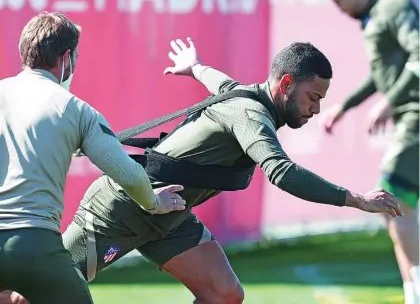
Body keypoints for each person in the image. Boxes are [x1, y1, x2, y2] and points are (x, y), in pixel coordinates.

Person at [2, 37, 402, 304]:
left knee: (226, 295)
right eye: (313, 97)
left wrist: (195, 67)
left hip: (171, 216)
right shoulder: (251, 115)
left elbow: (222, 83)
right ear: (284, 84)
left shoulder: (243, 97)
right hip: (122, 209)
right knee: (29, 295)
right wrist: (356, 199)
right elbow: (281, 172)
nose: (315, 109)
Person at [0, 12, 185, 304]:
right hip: (35, 244)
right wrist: (154, 203)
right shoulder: (75, 109)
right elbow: (128, 174)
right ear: (66, 58)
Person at [322, 0, 419, 304]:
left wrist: (389, 103)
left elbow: (419, 54)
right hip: (409, 118)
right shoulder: (372, 17)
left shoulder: (394, 6)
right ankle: (413, 291)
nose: (340, 10)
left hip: (416, 118)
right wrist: (344, 106)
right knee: (397, 208)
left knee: (392, 199)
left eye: (337, 2)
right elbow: (381, 76)